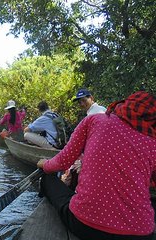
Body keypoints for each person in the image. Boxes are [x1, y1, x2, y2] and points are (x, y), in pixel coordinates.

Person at [37, 91, 156, 240]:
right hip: (142, 234)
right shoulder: (152, 142)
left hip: (87, 226)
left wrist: (44, 164)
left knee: (47, 177)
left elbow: (62, 161)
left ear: (125, 104)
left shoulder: (94, 120)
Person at [62, 89, 107, 187]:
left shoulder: (92, 115)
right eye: (79, 102)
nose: (82, 104)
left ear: (91, 98)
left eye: (84, 100)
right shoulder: (102, 108)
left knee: (71, 168)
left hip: (100, 155)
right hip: (104, 152)